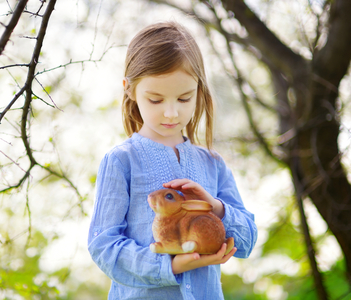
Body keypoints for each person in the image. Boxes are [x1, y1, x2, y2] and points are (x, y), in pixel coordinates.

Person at [88, 21, 257, 299]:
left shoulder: (213, 163)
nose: (170, 113)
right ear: (129, 90)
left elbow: (247, 241)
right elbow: (103, 245)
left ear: (199, 91)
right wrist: (169, 265)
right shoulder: (121, 161)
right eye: (155, 100)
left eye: (184, 98)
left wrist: (214, 207)